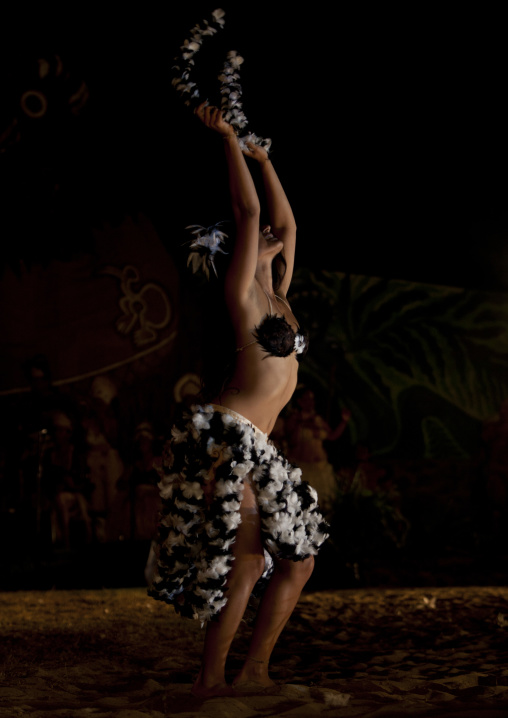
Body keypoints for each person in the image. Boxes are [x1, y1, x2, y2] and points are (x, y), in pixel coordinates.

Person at [148, 103, 328, 697]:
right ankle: (210, 680)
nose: (272, 233)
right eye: (259, 238)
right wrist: (228, 140)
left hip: (262, 447)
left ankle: (255, 670)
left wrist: (264, 158)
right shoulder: (242, 293)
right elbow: (250, 211)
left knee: (299, 561)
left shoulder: (280, 296)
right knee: (248, 561)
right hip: (229, 437)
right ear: (241, 252)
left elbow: (288, 223)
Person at [285, 387, 351, 514]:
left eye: (312, 399)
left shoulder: (318, 419)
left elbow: (332, 436)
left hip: (321, 466)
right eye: (307, 399)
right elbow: (292, 441)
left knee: (323, 506)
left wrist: (343, 421)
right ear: (299, 401)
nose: (311, 402)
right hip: (303, 468)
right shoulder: (294, 419)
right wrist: (302, 423)